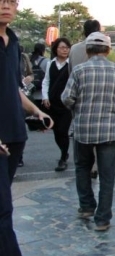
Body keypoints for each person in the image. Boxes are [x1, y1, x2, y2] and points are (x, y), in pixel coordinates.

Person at [0, 0, 54, 256]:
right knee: (3, 210)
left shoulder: (13, 41)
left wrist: (36, 111)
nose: (6, 5)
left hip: (15, 137)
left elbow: (12, 88)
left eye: (12, 0)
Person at [62, 32, 115, 232]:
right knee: (107, 175)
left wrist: (79, 106)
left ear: (87, 49)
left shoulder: (79, 71)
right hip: (109, 130)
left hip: (83, 129)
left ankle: (86, 206)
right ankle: (103, 219)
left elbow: (66, 98)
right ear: (108, 50)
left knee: (82, 168)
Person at [68, 19, 101, 179]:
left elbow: (70, 74)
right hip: (99, 95)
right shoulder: (104, 49)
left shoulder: (74, 49)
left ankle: (83, 164)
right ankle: (94, 166)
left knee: (80, 132)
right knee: (97, 131)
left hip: (79, 96)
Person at [41, 37, 73, 171]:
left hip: (66, 104)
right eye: (62, 47)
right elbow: (46, 81)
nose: (64, 50)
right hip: (52, 103)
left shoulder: (71, 64)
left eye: (67, 47)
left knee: (63, 130)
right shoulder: (50, 63)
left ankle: (63, 157)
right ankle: (64, 152)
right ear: (56, 49)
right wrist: (45, 96)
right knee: (55, 132)